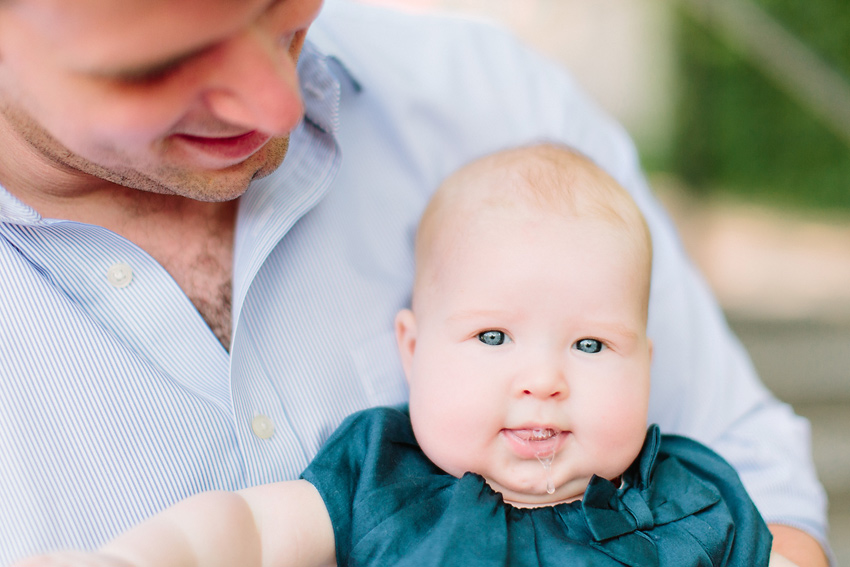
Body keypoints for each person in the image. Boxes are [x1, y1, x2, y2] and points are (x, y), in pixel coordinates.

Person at [0, 0, 829, 565]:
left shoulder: (493, 100)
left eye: (281, 11)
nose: (278, 101)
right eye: (161, 63)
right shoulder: (382, 476)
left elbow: (765, 483)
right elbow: (246, 528)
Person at [15, 144, 777, 567]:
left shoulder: (692, 499)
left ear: (646, 361)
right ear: (411, 350)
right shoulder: (380, 476)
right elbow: (246, 530)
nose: (543, 380)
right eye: (492, 337)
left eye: (589, 344)